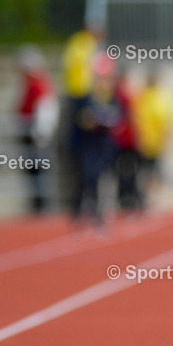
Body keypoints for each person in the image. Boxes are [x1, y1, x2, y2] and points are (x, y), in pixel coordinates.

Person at [61, 20, 104, 220]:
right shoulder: (85, 47)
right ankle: (84, 208)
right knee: (85, 167)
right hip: (81, 98)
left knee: (89, 168)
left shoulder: (79, 45)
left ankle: (86, 208)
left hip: (81, 100)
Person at [72, 55, 121, 227]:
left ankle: (100, 213)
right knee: (87, 178)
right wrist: (90, 120)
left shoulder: (111, 97)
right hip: (88, 145)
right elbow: (81, 120)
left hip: (104, 145)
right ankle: (82, 212)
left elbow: (118, 118)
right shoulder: (86, 97)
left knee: (103, 179)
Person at [16, 47, 57, 213]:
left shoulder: (38, 83)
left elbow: (45, 108)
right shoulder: (31, 82)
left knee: (38, 168)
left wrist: (40, 132)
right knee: (33, 169)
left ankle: (41, 203)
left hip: (35, 133)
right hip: (30, 130)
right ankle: (37, 201)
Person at [133, 68, 173, 208]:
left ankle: (157, 200)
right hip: (145, 143)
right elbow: (136, 118)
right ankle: (147, 200)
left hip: (157, 143)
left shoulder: (163, 97)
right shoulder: (143, 95)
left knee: (157, 173)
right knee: (145, 173)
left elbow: (168, 121)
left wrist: (167, 140)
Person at [111, 66, 141, 212]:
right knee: (123, 169)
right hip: (120, 139)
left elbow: (132, 115)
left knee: (128, 169)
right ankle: (125, 197)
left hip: (127, 139)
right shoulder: (119, 94)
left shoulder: (125, 94)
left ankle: (129, 197)